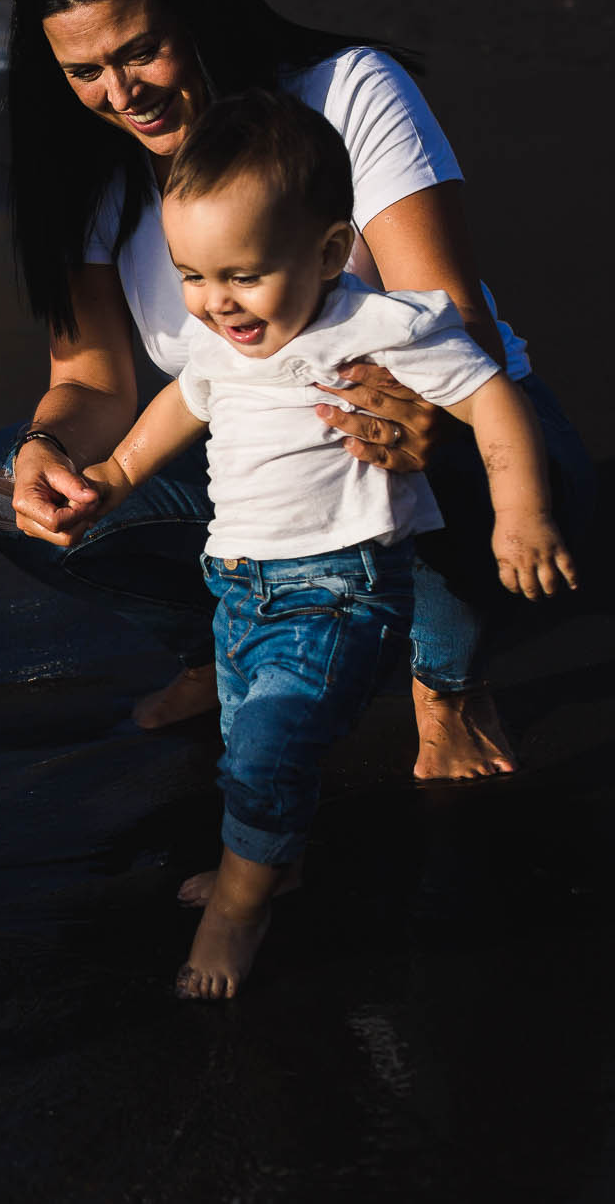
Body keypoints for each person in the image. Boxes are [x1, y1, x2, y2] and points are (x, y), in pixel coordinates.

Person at [0, 0, 593, 780]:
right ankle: (223, 650)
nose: (121, 92)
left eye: (141, 51)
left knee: (374, 424)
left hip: (434, 434)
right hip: (256, 467)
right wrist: (48, 448)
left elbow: (454, 323)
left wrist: (417, 412)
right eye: (83, 71)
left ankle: (445, 682)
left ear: (200, 9)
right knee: (5, 486)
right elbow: (93, 381)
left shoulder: (344, 95)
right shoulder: (93, 173)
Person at [43, 92, 576, 997]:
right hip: (238, 588)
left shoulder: (375, 324)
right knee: (248, 734)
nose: (217, 304)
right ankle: (273, 857)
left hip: (340, 587)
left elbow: (490, 395)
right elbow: (178, 402)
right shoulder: (219, 339)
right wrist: (120, 475)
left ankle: (240, 909)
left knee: (272, 743)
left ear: (329, 252)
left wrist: (519, 509)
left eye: (243, 276)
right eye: (193, 277)